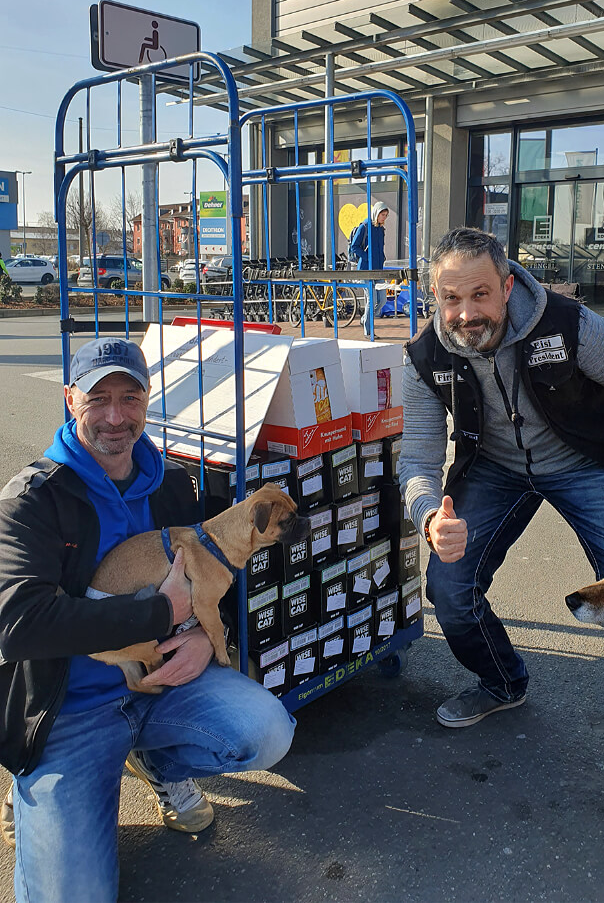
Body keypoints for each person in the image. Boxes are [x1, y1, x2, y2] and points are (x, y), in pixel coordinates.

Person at [399, 228, 604, 879]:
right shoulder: (424, 356)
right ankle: (502, 680)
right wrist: (426, 515)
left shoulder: (567, 324)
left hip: (585, 466)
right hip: (495, 469)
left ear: (507, 286)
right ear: (435, 299)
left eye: (480, 293)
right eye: (451, 298)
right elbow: (416, 459)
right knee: (447, 585)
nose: (467, 311)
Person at [0, 338, 296, 902]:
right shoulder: (31, 501)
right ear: (70, 400)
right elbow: (19, 623)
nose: (116, 416)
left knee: (267, 730)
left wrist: (207, 646)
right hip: (71, 712)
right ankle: (32, 781)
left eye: (129, 397)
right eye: (98, 398)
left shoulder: (174, 484)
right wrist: (160, 613)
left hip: (162, 685)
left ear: (147, 400)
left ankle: (155, 761)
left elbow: (219, 577)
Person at [351, 200, 390, 337]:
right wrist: (367, 257)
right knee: (371, 300)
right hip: (366, 269)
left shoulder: (381, 229)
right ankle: (368, 331)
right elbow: (354, 246)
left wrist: (382, 257)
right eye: (382, 215)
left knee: (383, 300)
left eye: (385, 215)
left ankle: (364, 319)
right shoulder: (365, 226)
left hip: (378, 269)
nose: (384, 218)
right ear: (376, 213)